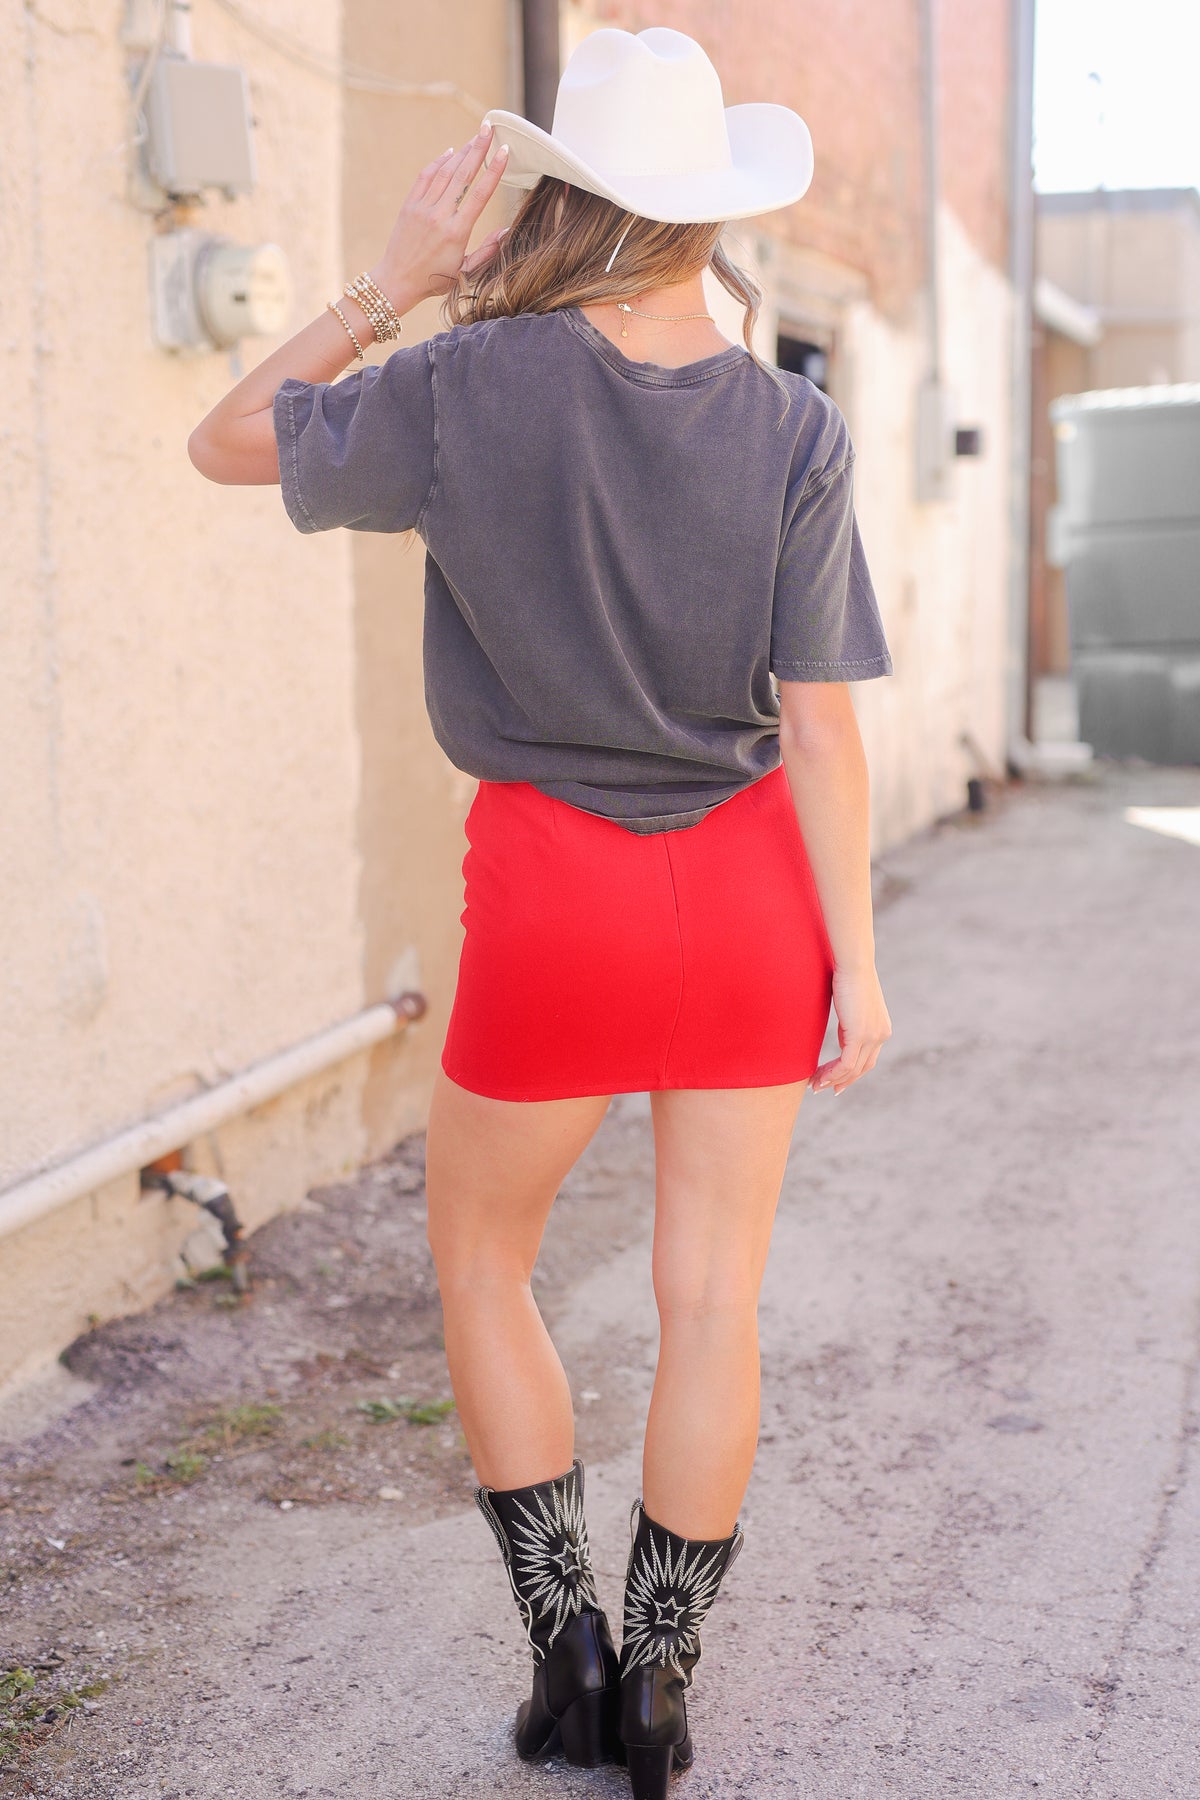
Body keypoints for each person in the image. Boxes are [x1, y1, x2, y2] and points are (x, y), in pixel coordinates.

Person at [189, 24, 893, 1798]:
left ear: (561, 191)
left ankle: (566, 1648)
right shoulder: (796, 425)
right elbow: (822, 727)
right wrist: (858, 968)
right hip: (746, 894)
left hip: (552, 894)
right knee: (711, 1299)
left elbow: (223, 441)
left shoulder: (459, 385)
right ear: (706, 216)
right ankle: (662, 1691)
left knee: (483, 1262)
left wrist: (392, 283)